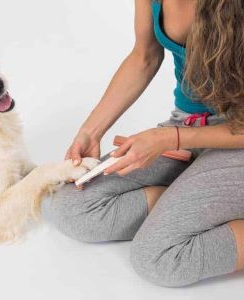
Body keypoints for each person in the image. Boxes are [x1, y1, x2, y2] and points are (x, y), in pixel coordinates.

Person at [50, 0, 244, 287]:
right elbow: (144, 57)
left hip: (235, 137)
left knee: (159, 257)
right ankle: (195, 197)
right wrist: (91, 131)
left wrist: (172, 137)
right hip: (189, 124)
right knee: (71, 207)